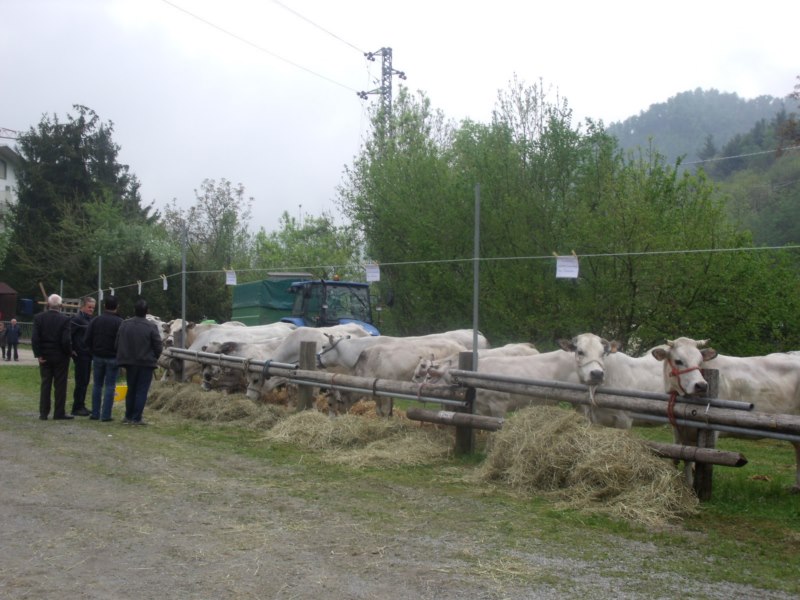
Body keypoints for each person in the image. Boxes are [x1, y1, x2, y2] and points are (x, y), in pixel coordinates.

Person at [116, 298, 162, 425]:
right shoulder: (151, 326)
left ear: (134, 310)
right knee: (141, 391)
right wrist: (154, 357)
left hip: (129, 362)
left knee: (131, 389)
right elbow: (158, 346)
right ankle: (137, 418)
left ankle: (128, 416)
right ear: (147, 311)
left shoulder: (125, 324)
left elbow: (118, 342)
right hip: (146, 362)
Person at [31, 294, 73, 420]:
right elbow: (66, 340)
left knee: (46, 384)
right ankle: (59, 412)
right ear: (60, 306)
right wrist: (69, 352)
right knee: (60, 385)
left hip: (45, 356)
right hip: (60, 356)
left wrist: (38, 354)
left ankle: (43, 412)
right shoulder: (65, 319)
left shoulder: (38, 318)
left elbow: (35, 338)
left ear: (48, 304)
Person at [84, 295, 122, 421]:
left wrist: (92, 352)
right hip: (113, 357)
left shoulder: (95, 320)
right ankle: (106, 415)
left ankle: (95, 413)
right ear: (117, 307)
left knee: (97, 385)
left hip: (98, 356)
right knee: (110, 386)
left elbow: (87, 339)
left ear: (104, 306)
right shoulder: (120, 322)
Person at [69, 296, 96, 416]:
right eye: (89, 307)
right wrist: (71, 349)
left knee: (85, 381)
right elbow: (68, 334)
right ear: (83, 307)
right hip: (80, 354)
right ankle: (77, 406)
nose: (91, 310)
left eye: (93, 308)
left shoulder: (89, 319)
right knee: (81, 381)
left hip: (87, 353)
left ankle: (81, 404)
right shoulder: (77, 319)